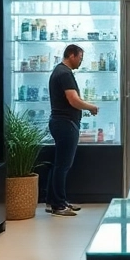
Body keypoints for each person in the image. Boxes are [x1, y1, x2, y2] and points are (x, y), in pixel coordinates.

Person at [46, 44, 97, 216]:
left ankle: (53, 200)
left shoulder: (58, 71)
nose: (81, 62)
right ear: (72, 55)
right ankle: (59, 205)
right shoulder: (65, 73)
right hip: (65, 124)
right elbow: (73, 100)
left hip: (60, 123)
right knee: (63, 166)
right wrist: (91, 107)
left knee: (58, 165)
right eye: (80, 58)